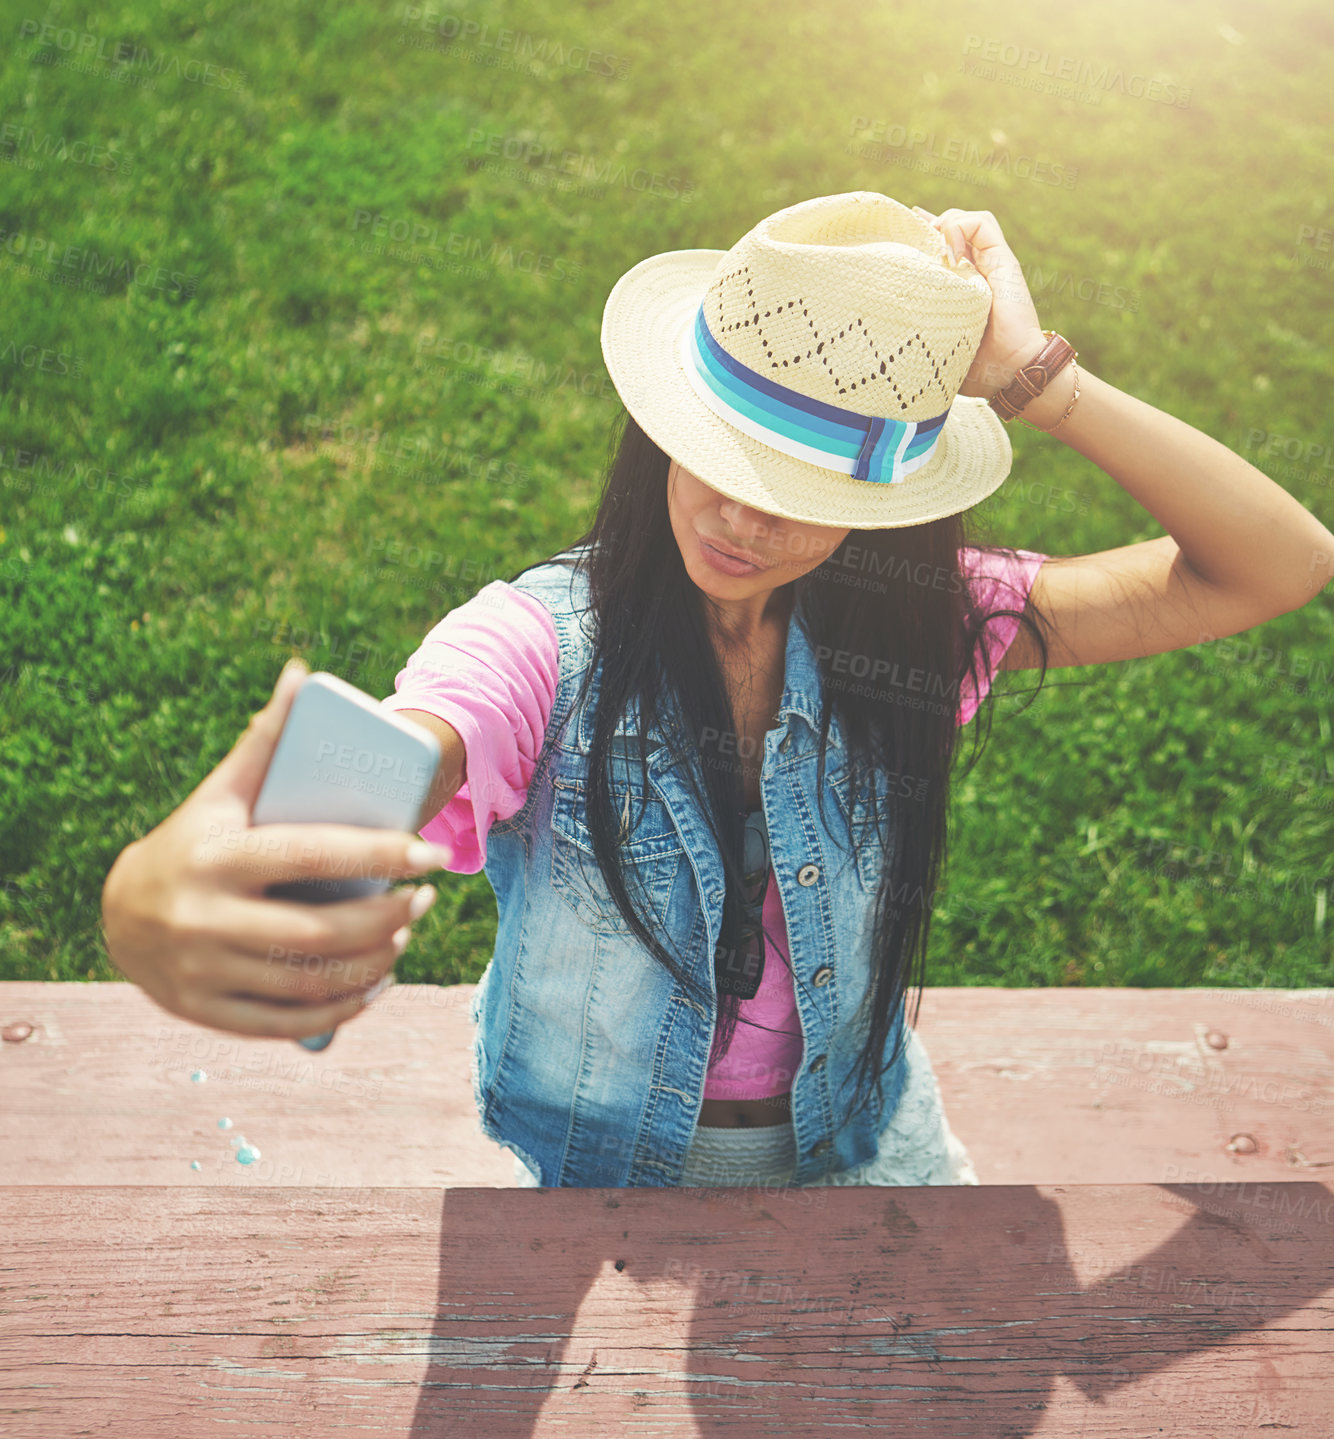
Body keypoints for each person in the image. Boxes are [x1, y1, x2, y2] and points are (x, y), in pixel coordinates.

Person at [101, 191, 1334, 1191]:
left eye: (805, 488)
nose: (741, 517)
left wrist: (1036, 379)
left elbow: (1277, 566)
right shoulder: (541, 641)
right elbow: (402, 747)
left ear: (882, 507)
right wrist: (159, 891)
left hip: (864, 1145)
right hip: (604, 1170)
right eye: (721, 452)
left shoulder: (918, 629)